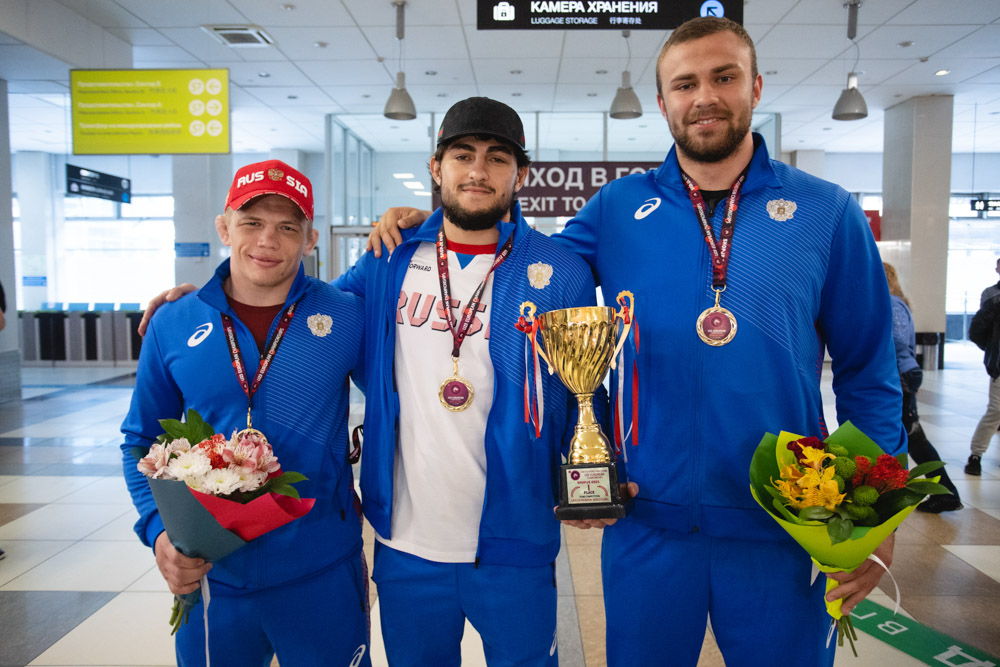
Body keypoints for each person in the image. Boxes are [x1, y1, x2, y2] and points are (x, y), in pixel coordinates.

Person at [369, 18, 904, 667]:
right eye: (685, 83)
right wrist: (426, 226)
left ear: (756, 86)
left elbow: (868, 369)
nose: (703, 95)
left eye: (723, 76)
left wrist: (876, 513)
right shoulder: (617, 208)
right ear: (663, 103)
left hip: (784, 522)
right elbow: (518, 264)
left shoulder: (826, 212)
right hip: (649, 522)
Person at [137, 100, 614, 666]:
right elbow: (294, 309)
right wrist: (199, 303)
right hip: (404, 543)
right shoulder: (387, 259)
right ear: (437, 168)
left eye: (497, 157)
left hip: (517, 541)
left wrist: (604, 482)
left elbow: (585, 389)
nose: (478, 172)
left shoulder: (560, 269)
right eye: (463, 155)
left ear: (521, 173)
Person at [121, 160, 371, 667]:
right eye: (252, 222)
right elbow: (139, 440)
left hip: (321, 566)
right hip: (214, 572)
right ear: (224, 227)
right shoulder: (175, 321)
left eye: (287, 227)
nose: (268, 241)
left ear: (310, 239)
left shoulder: (347, 314)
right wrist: (158, 531)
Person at [883, 263, 961, 512]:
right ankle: (944, 492)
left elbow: (895, 341)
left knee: (913, 438)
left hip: (900, 374)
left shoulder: (893, 304)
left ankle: (946, 493)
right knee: (911, 436)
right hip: (902, 374)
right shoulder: (896, 302)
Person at [965, 257, 1000, 476]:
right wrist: (992, 352)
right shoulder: (992, 296)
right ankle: (976, 454)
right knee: (996, 410)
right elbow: (977, 330)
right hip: (998, 363)